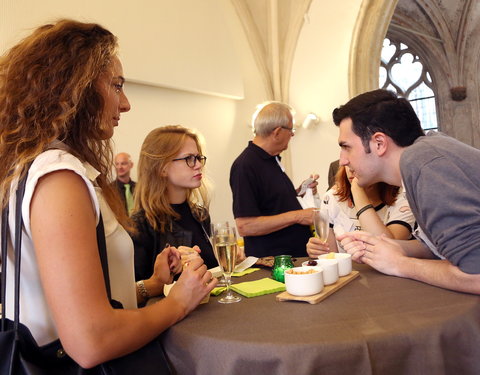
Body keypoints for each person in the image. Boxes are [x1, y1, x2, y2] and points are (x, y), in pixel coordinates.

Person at [0, 19, 216, 369]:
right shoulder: (59, 176)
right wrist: (178, 302)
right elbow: (91, 340)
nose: (126, 103)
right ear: (75, 88)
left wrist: (150, 285)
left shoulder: (31, 168)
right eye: (116, 86)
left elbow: (74, 299)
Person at [332, 88, 480, 294]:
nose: (343, 160)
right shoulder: (423, 155)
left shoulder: (425, 164)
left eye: (346, 147)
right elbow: (438, 247)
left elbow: (475, 275)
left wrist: (399, 264)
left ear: (379, 143)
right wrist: (390, 248)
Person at [229, 101, 318, 258]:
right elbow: (245, 226)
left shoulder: (271, 159)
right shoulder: (245, 165)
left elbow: (272, 203)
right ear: (277, 132)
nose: (293, 135)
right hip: (273, 264)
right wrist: (299, 215)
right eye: (291, 130)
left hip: (293, 256)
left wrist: (301, 193)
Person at [132, 125, 218, 282]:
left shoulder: (200, 215)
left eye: (198, 158)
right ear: (162, 168)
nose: (198, 165)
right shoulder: (140, 225)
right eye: (189, 159)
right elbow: (134, 292)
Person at [306, 164, 415, 257]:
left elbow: (390, 247)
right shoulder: (332, 198)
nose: (350, 169)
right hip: (348, 276)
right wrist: (318, 249)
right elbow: (332, 256)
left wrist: (357, 189)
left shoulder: (403, 196)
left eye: (358, 160)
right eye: (347, 163)